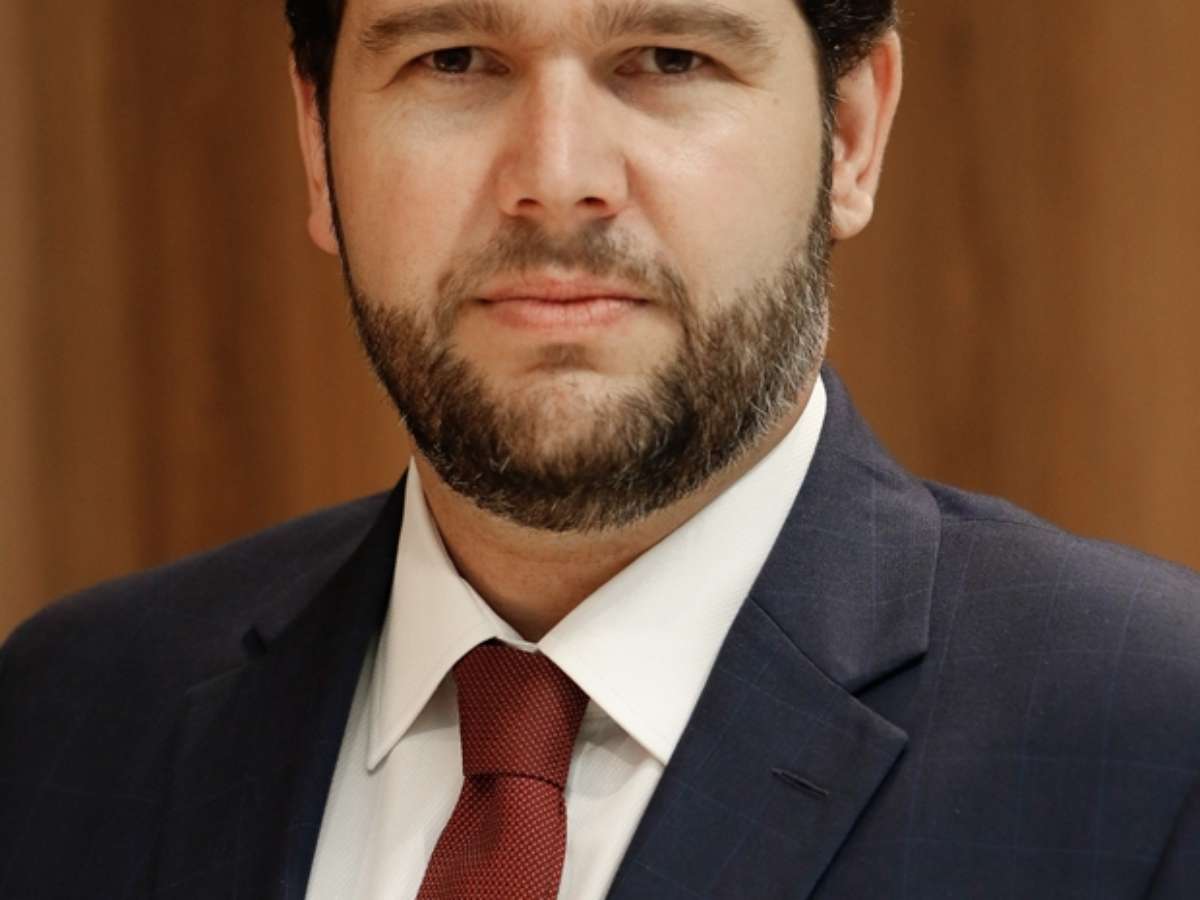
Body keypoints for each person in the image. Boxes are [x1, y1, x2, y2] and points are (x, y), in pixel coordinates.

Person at [1, 0, 1198, 897]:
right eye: (453, 60)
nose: (557, 178)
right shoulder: (69, 719)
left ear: (849, 136)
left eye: (670, 59)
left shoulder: (1157, 747)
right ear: (318, 145)